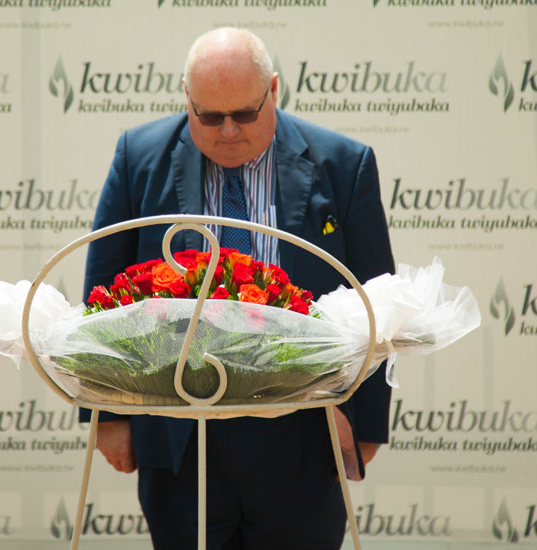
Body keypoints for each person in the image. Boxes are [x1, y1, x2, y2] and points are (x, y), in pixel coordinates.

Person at [80, 27, 395, 550]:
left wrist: (366, 426)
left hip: (302, 431)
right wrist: (107, 415)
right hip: (178, 428)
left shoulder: (344, 163)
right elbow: (102, 289)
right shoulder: (139, 156)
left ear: (274, 90)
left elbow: (376, 300)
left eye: (245, 114)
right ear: (187, 98)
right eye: (209, 116)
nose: (228, 131)